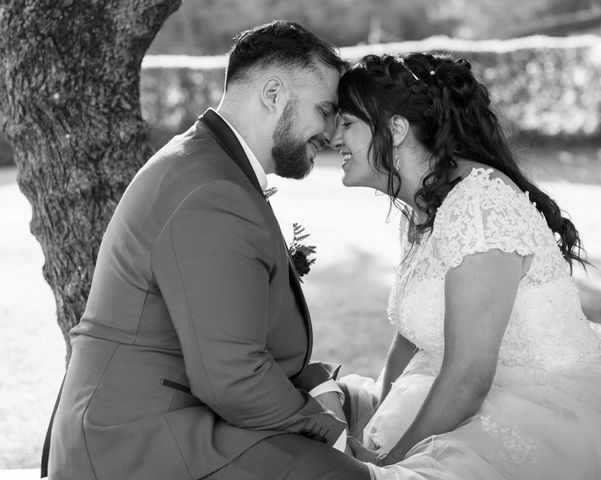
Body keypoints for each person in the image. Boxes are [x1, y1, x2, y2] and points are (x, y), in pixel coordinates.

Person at [43, 21, 371, 480]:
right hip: (136, 439)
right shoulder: (212, 189)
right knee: (343, 474)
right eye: (325, 110)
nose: (333, 133)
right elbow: (233, 379)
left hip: (175, 413)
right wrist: (331, 433)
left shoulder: (210, 163)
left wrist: (316, 388)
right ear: (273, 94)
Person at [330, 52, 601, 479]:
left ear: (395, 130)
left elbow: (469, 376)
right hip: (459, 389)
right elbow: (408, 339)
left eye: (347, 123)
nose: (334, 137)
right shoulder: (425, 205)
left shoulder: (480, 205)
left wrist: (386, 464)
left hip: (544, 410)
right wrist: (373, 433)